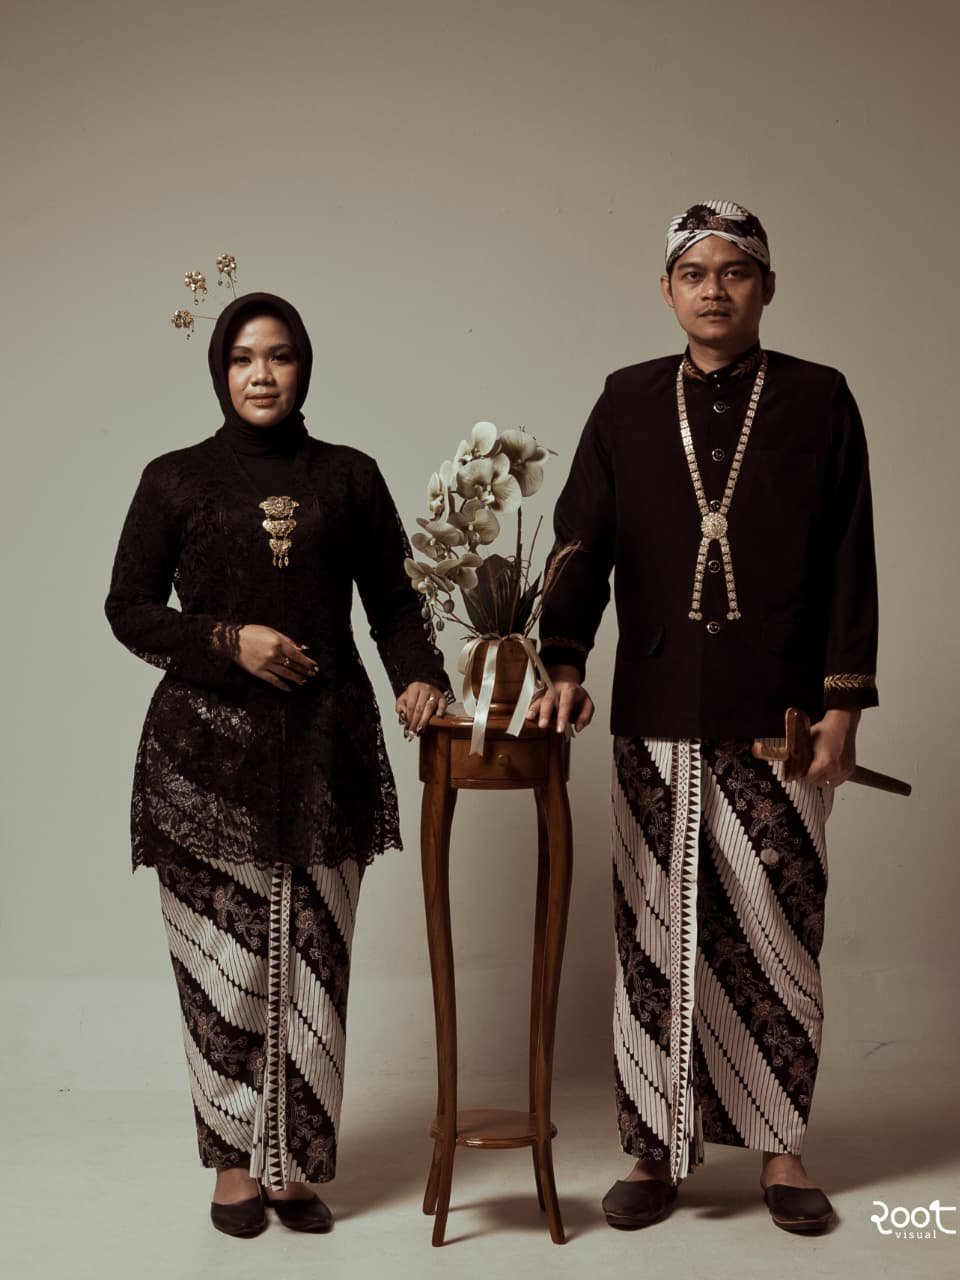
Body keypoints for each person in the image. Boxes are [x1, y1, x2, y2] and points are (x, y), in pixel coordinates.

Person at [530, 200, 878, 1234]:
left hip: (781, 715)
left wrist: (843, 705)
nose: (714, 289)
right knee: (654, 930)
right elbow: (580, 543)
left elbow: (849, 557)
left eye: (735, 271)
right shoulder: (627, 401)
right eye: (694, 273)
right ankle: (651, 1149)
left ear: (767, 286)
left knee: (778, 928)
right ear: (667, 290)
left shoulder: (818, 399)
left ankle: (781, 1150)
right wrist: (561, 659)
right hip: (655, 709)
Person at [105, 291, 450, 1237]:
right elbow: (129, 608)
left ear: (305, 367)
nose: (261, 374)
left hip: (325, 755)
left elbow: (395, 603)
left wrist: (420, 679)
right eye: (243, 358)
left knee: (313, 961)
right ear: (220, 370)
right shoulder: (174, 479)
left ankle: (292, 1164)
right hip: (202, 762)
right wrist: (228, 639)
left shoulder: (350, 477)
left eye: (280, 355)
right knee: (221, 969)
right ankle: (232, 1166)